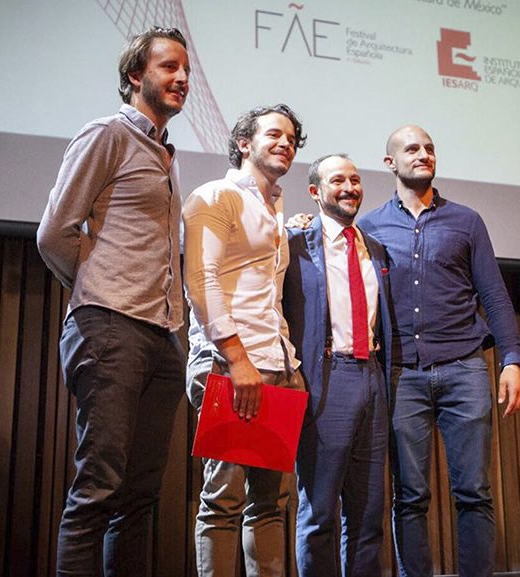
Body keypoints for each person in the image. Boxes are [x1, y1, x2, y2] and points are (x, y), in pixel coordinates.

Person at [36, 27, 190, 577]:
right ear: (135, 76)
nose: (182, 79)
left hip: (161, 335)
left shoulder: (166, 155)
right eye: (169, 67)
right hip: (110, 327)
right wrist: (98, 288)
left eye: (186, 71)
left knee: (141, 497)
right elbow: (55, 231)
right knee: (98, 489)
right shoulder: (106, 134)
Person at [356, 125, 520, 577]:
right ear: (390, 163)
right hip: (400, 375)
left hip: (464, 369)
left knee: (474, 491)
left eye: (429, 148)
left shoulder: (467, 221)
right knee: (410, 495)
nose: (424, 154)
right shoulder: (369, 226)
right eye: (412, 148)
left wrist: (511, 359)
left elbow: (494, 294)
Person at [183, 104, 307, 577]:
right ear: (243, 144)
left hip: (277, 364)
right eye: (274, 134)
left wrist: (287, 367)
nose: (286, 143)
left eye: (293, 138)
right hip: (231, 363)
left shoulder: (272, 206)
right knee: (224, 500)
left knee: (271, 503)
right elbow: (201, 278)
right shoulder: (214, 195)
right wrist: (237, 361)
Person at [283, 154, 395, 576]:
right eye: (337, 180)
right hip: (326, 378)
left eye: (355, 179)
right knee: (320, 514)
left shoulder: (374, 247)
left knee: (368, 518)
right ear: (315, 192)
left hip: (373, 378)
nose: (349, 187)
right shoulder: (294, 244)